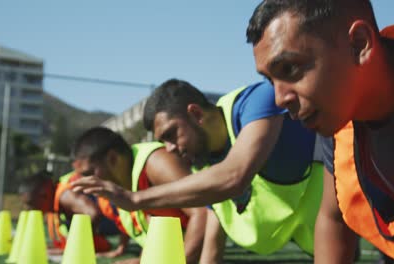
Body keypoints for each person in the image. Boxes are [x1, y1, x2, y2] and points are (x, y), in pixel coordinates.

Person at [246, 0, 394, 263]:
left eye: (290, 68)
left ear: (359, 44)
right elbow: (333, 218)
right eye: (270, 80)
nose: (279, 99)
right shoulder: (339, 118)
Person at [72, 79, 324, 263]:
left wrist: (135, 200)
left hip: (346, 223)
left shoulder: (257, 101)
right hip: (318, 242)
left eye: (171, 134)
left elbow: (235, 175)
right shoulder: (202, 164)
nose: (169, 149)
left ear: (195, 113)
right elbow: (213, 243)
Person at [70, 127, 206, 264]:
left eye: (88, 173)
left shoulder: (156, 162)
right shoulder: (116, 192)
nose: (84, 181)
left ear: (112, 158)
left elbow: (203, 212)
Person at [19, 169, 128, 257]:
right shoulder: (57, 200)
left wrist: (75, 245)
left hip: (119, 213)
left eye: (31, 204)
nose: (30, 209)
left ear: (44, 194)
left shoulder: (64, 196)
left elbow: (93, 213)